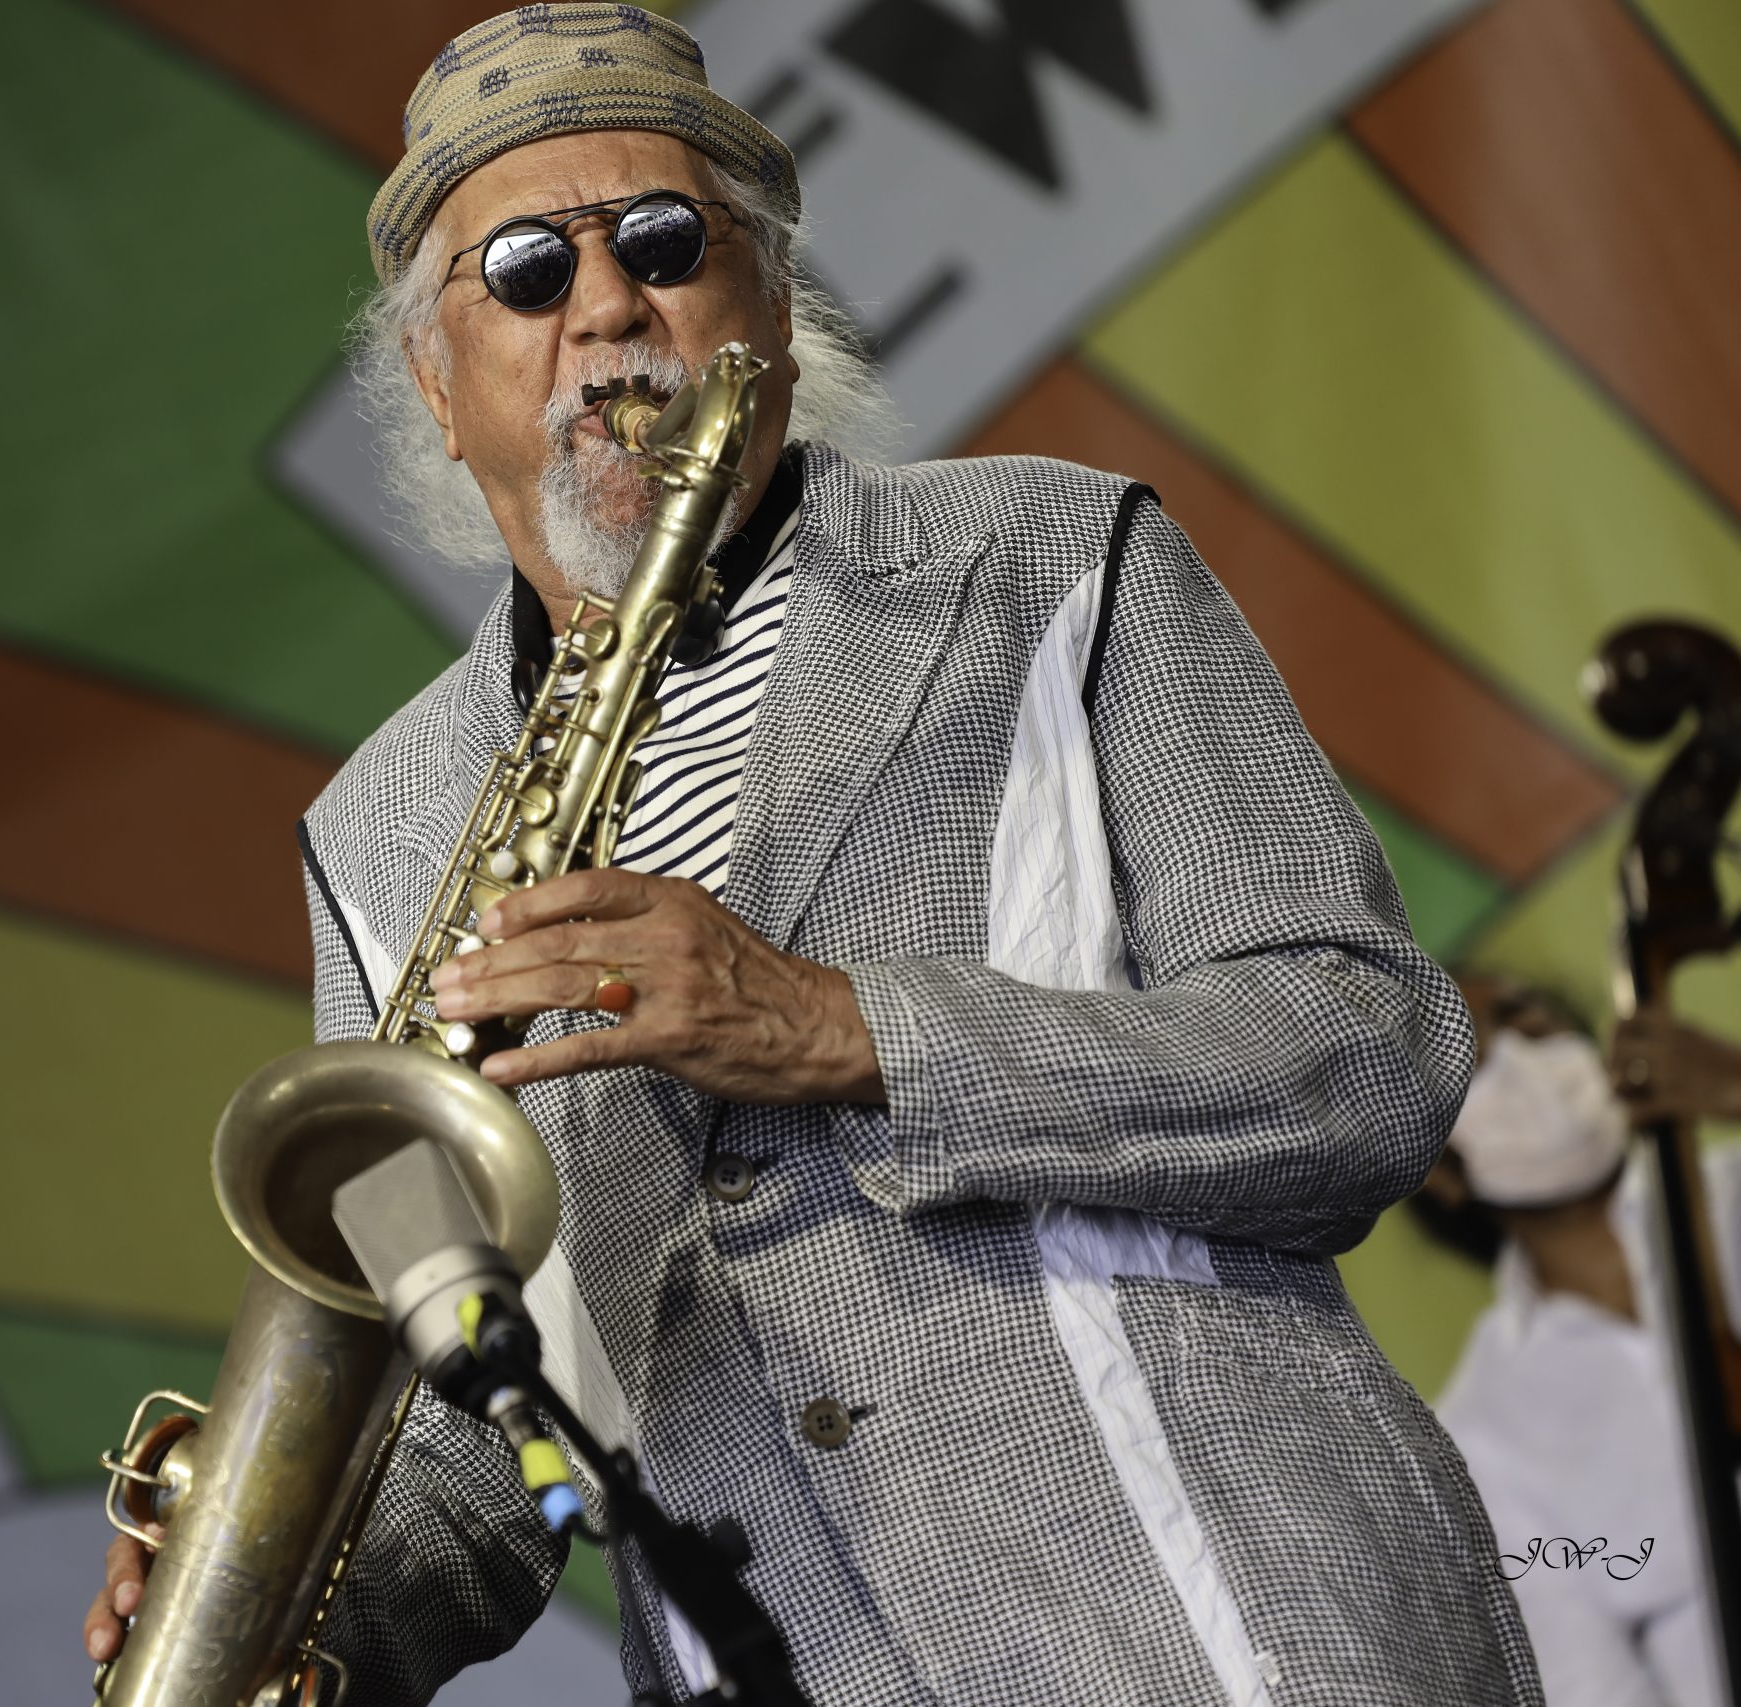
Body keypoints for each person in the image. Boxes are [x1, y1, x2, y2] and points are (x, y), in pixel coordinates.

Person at [86, 7, 1535, 1703]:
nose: (609, 306)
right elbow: (479, 1430)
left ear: (766, 307)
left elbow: (1370, 1059)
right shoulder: (378, 830)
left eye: (665, 242)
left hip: (1216, 1629)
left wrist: (845, 1028)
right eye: (530, 271)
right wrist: (292, 1599)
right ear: (435, 376)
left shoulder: (1058, 557)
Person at [1422, 981, 1741, 1707]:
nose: (1517, 1065)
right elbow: (1595, 1688)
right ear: (1438, 1174)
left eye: (1524, 1020)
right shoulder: (1482, 1436)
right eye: (1467, 1065)